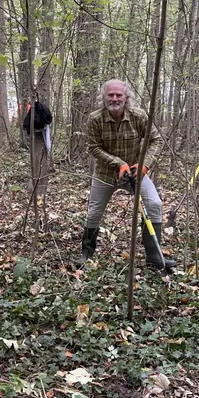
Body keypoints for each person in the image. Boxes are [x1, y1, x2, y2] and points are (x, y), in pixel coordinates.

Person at [81, 79, 176, 271]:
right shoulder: (95, 118)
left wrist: (144, 166)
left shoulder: (139, 116)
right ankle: (86, 256)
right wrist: (119, 164)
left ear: (126, 97)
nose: (114, 99)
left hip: (135, 174)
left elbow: (156, 140)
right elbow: (93, 148)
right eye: (110, 95)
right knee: (93, 213)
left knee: (154, 204)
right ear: (104, 97)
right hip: (105, 174)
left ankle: (155, 258)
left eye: (119, 95)